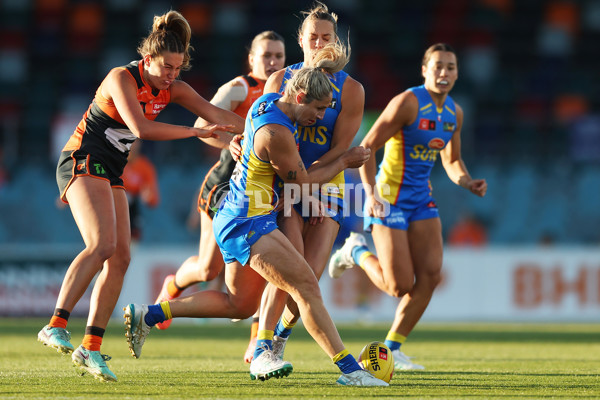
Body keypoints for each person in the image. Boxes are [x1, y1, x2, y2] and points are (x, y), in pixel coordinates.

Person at [123, 43, 387, 387]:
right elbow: (303, 180)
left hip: (239, 215)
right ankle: (347, 370)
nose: (320, 118)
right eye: (319, 109)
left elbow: (281, 173)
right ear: (301, 95)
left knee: (239, 304)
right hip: (248, 222)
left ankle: (149, 314)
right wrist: (344, 162)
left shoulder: (266, 103)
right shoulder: (277, 134)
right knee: (305, 284)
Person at [36, 10, 244, 382]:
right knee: (101, 245)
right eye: (166, 67)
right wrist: (198, 133)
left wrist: (267, 127)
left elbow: (217, 114)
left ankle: (91, 347)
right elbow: (141, 129)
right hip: (82, 158)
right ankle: (55, 324)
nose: (172, 76)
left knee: (121, 257)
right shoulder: (122, 77)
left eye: (178, 69)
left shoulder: (174, 88)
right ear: (148, 58)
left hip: (111, 170)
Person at [329, 43, 488, 370]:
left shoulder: (454, 113)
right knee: (398, 286)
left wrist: (467, 181)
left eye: (451, 67)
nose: (444, 73)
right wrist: (371, 195)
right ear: (425, 70)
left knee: (430, 276)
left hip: (421, 200)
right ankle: (355, 250)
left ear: (457, 73)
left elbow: (453, 159)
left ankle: (393, 348)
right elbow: (367, 147)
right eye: (438, 66)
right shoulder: (408, 103)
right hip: (388, 197)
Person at [245, 1, 366, 367]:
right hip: (285, 183)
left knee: (311, 274)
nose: (319, 44)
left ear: (335, 40)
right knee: (290, 268)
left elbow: (341, 148)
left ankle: (280, 336)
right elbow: (265, 129)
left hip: (326, 182)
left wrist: (311, 188)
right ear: (301, 39)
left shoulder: (352, 89)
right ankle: (263, 344)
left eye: (326, 37)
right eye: (312, 37)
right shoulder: (280, 80)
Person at [152, 31, 286, 346]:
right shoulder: (241, 88)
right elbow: (202, 129)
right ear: (251, 59)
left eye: (278, 56)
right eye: (265, 55)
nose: (272, 62)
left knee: (271, 265)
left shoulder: (288, 92)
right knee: (206, 267)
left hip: (268, 193)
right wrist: (232, 141)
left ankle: (258, 342)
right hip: (225, 187)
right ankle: (171, 289)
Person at [122, 140, 160, 243]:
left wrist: (147, 197)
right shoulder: (115, 162)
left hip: (133, 212)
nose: (132, 145)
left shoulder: (145, 166)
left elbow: (153, 199)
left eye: (135, 141)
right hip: (115, 206)